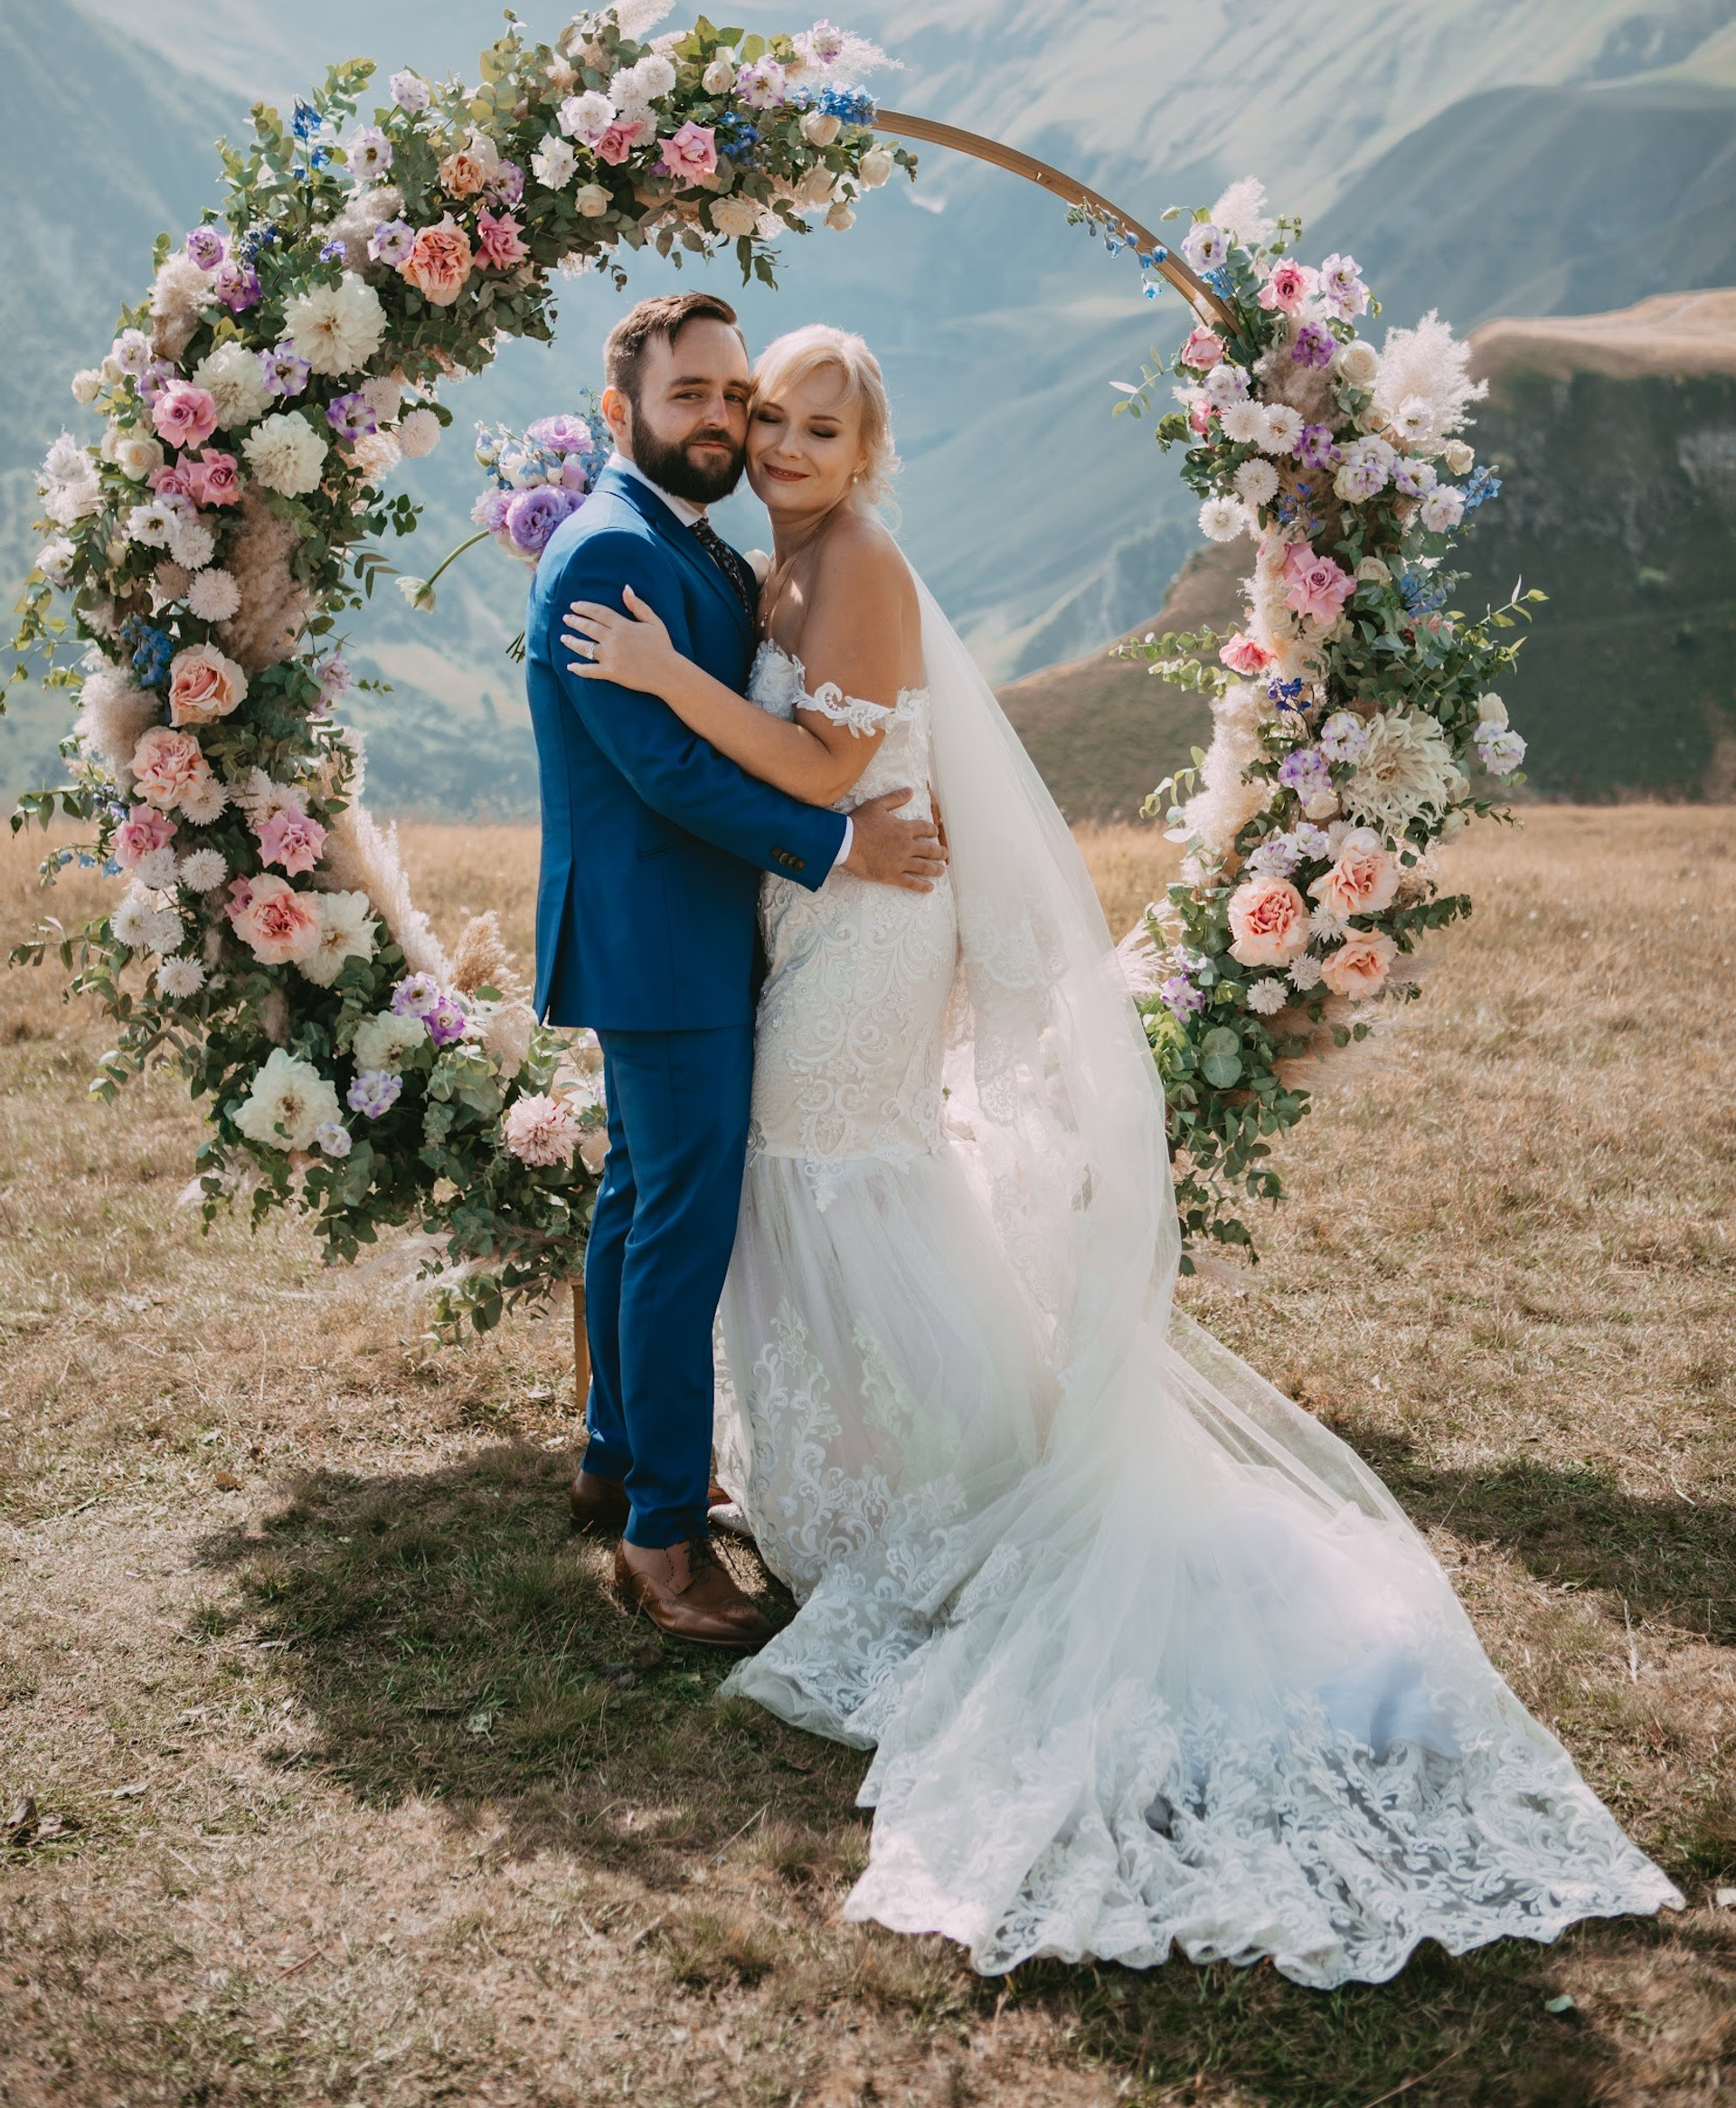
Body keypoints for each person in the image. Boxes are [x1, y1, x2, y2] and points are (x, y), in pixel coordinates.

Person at [559, 318, 1680, 1989]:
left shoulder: (849, 561)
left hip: (866, 934)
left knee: (833, 1178)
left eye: (808, 423)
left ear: (863, 453)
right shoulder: (763, 568)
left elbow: (832, 766)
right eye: (756, 413)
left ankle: (936, 1496)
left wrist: (666, 682)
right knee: (801, 1191)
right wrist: (709, 687)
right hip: (811, 923)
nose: (775, 440)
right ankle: (841, 1479)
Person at [524, 292, 947, 1652]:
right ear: (620, 411)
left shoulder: (691, 540)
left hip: (694, 935)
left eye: (733, 394)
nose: (721, 419)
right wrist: (838, 846)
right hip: (664, 944)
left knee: (644, 1196)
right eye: (692, 395)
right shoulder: (607, 557)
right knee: (681, 1228)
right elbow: (664, 768)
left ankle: (612, 1458)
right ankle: (662, 1536)